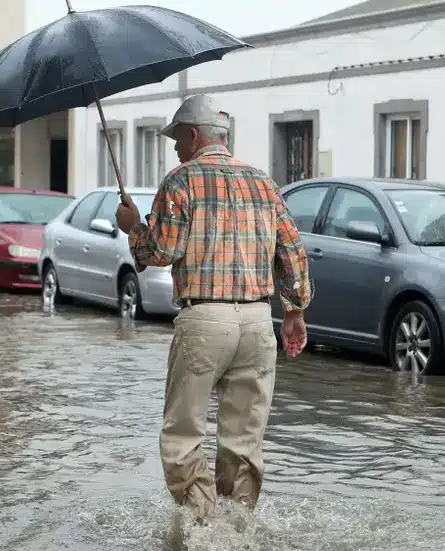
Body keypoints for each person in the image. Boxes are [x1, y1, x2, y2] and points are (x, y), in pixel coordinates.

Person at [114, 94, 312, 523]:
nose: (174, 148)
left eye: (175, 140)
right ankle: (238, 530)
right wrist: (294, 311)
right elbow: (292, 249)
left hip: (205, 320)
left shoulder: (181, 180)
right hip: (259, 322)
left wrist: (134, 230)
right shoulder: (263, 181)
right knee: (243, 443)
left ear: (192, 136)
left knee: (183, 436)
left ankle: (205, 528)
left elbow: (162, 251)